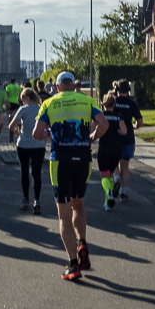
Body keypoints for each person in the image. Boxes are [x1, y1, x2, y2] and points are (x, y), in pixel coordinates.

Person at [33, 71, 108, 281]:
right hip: (83, 158)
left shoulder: (49, 103)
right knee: (79, 204)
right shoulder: (87, 100)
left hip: (60, 161)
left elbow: (36, 134)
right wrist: (92, 137)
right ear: (73, 85)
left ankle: (73, 264)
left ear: (57, 87)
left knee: (63, 213)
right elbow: (104, 124)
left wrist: (50, 135)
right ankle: (82, 241)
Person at [9, 88, 46, 214]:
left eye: (22, 99)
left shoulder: (23, 109)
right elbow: (47, 127)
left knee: (24, 171)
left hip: (23, 143)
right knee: (37, 173)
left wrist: (17, 132)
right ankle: (37, 200)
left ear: (27, 98)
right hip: (38, 144)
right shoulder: (42, 109)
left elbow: (11, 126)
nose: (21, 101)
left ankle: (25, 199)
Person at [111, 79, 143, 201]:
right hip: (128, 137)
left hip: (115, 137)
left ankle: (116, 178)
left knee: (114, 162)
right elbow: (139, 121)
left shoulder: (113, 102)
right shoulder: (131, 103)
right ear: (128, 91)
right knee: (125, 165)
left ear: (116, 90)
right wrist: (135, 126)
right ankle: (124, 192)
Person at [95, 91, 128, 211]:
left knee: (104, 175)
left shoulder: (100, 116)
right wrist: (116, 133)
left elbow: (93, 129)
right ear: (114, 105)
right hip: (116, 148)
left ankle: (109, 191)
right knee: (110, 175)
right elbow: (124, 131)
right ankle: (107, 203)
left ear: (103, 104)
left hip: (104, 147)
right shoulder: (119, 116)